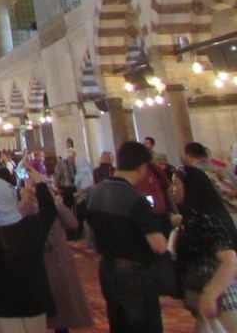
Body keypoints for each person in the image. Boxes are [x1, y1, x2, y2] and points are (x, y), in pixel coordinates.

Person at [85, 140, 169, 333]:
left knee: (119, 324)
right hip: (135, 273)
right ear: (142, 168)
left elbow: (91, 232)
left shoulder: (96, 192)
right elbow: (158, 246)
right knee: (144, 326)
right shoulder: (134, 198)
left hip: (106, 268)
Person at [0, 167, 57, 333]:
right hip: (34, 301)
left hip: (4, 305)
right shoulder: (30, 226)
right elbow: (49, 210)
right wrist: (40, 184)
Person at [17, 179, 93, 333]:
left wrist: (55, 202)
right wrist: (26, 201)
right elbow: (15, 224)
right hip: (41, 265)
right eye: (31, 185)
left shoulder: (54, 206)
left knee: (63, 308)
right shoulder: (23, 207)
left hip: (61, 264)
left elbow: (73, 223)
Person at [171, 165, 237, 331]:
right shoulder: (197, 216)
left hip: (222, 299)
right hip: (210, 297)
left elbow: (229, 261)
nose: (173, 190)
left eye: (177, 185)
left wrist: (211, 295)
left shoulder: (207, 219)